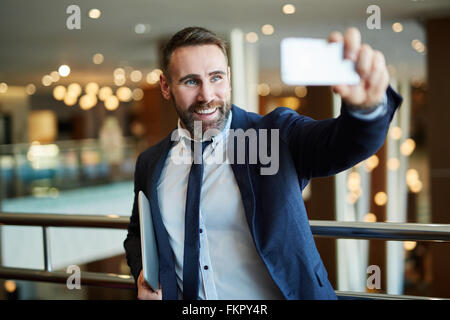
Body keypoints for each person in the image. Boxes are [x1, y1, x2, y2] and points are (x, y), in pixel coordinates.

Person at [123, 26, 402, 300]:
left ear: (229, 78)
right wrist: (144, 275)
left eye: (216, 77)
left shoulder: (275, 134)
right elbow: (137, 234)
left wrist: (366, 111)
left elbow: (341, 144)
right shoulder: (151, 162)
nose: (207, 95)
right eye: (191, 81)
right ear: (165, 86)